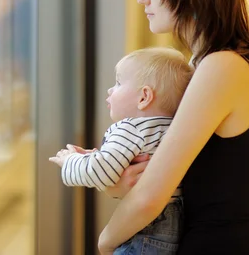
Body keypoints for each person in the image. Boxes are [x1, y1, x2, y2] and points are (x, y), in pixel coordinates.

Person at [97, 0, 249, 255]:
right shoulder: (212, 62)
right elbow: (155, 178)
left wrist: (104, 242)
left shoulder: (222, 66)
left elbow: (151, 197)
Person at [50, 47, 194, 254]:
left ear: (144, 97)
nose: (110, 90)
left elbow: (100, 172)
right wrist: (93, 156)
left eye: (118, 83)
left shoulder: (130, 128)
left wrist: (69, 161)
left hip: (145, 227)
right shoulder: (171, 127)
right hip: (174, 222)